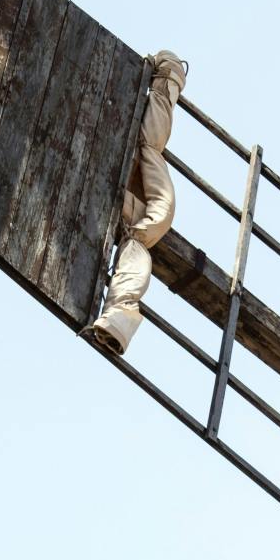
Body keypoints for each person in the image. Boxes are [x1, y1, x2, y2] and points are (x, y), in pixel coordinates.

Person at [88, 50, 186, 354]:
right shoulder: (145, 224)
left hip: (139, 207)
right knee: (150, 144)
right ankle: (118, 320)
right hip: (139, 204)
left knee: (138, 241)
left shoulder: (145, 223)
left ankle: (118, 321)